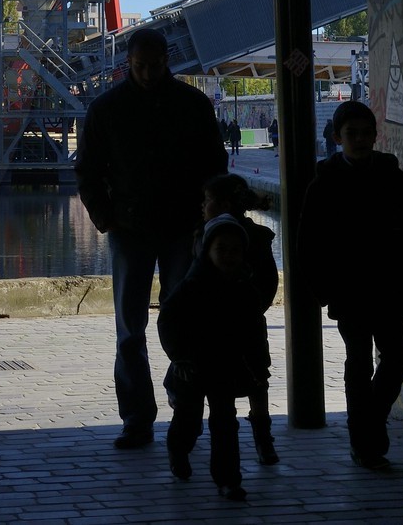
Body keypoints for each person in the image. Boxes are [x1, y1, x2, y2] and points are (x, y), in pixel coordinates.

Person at [74, 27, 227, 449]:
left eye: (153, 67)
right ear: (129, 63)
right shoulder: (181, 105)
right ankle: (142, 417)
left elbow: (215, 164)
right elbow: (86, 171)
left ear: (167, 61)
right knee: (134, 328)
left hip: (170, 228)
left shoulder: (115, 107)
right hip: (136, 228)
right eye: (139, 67)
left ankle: (171, 408)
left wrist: (108, 217)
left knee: (174, 325)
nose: (146, 74)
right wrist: (107, 219)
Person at [297, 100, 403, 470]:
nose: (361, 139)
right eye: (353, 134)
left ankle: (365, 427)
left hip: (387, 290)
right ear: (338, 137)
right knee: (362, 362)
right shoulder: (324, 187)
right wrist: (325, 290)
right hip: (351, 292)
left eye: (366, 133)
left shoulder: (396, 182)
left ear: (375, 135)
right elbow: (309, 245)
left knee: (395, 358)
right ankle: (366, 438)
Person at [158, 214, 268, 502]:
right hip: (191, 366)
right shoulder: (191, 285)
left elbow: (256, 332)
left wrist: (259, 367)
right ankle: (178, 450)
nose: (229, 256)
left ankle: (228, 479)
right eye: (222, 249)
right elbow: (167, 320)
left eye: (235, 250)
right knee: (188, 418)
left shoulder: (246, 290)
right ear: (207, 251)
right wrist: (178, 356)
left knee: (225, 423)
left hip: (225, 366)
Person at [199, 174, 279, 465]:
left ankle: (226, 438)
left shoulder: (205, 237)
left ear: (222, 204)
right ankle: (263, 440)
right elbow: (269, 284)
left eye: (206, 201)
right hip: (252, 327)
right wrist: (253, 310)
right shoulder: (258, 236)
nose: (202, 206)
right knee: (258, 381)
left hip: (224, 328)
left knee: (222, 386)